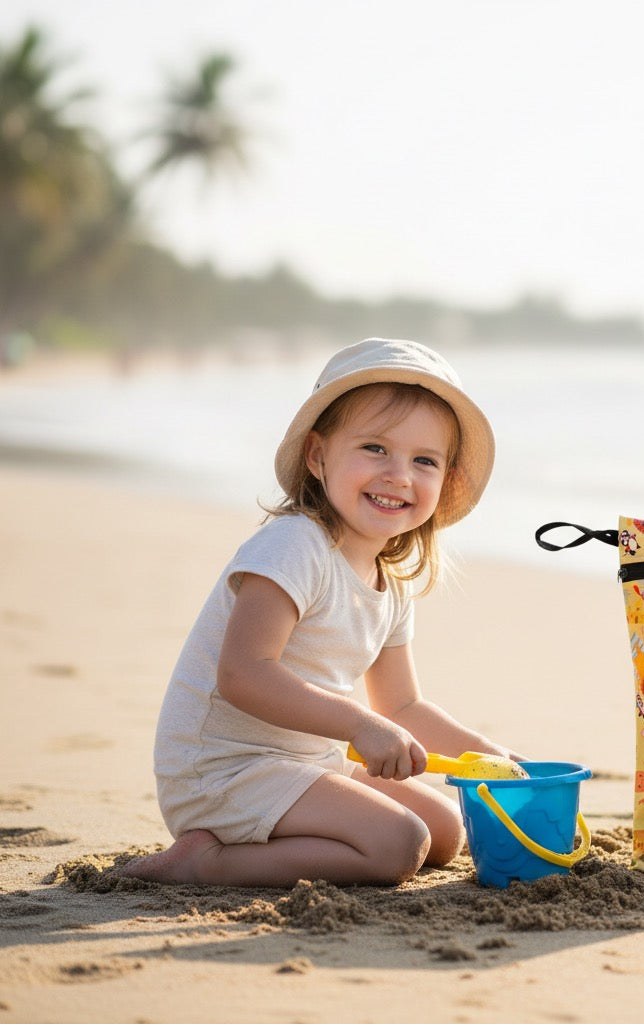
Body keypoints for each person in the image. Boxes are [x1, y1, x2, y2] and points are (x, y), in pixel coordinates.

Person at [123, 338, 518, 888]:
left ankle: (298, 836)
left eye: (423, 460)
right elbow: (243, 674)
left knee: (446, 830)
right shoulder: (295, 546)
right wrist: (359, 725)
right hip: (225, 771)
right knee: (399, 844)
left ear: (446, 479)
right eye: (375, 448)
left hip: (305, 762)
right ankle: (205, 862)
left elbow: (401, 704)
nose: (399, 475)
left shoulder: (390, 580)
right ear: (318, 456)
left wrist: (490, 757)